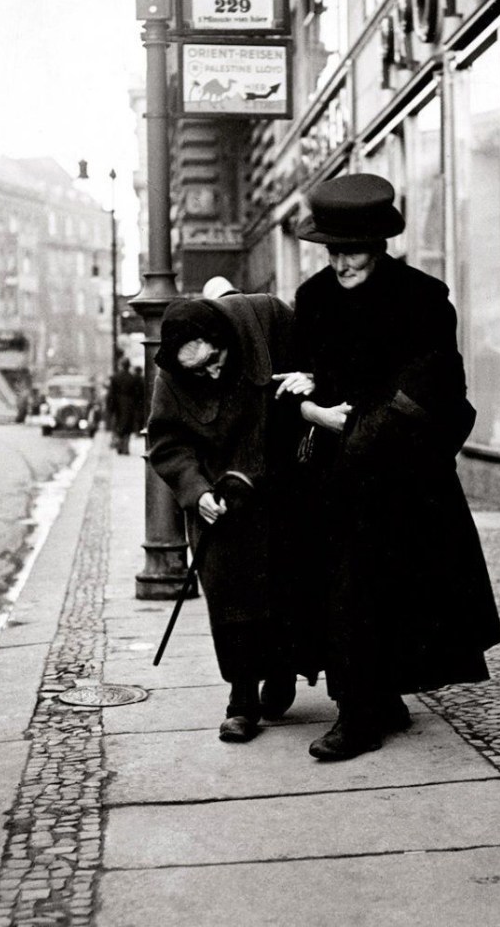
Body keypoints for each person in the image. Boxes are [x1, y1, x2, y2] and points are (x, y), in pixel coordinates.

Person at [288, 173, 500, 761]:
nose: (341, 263)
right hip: (336, 477)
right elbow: (299, 378)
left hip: (406, 475)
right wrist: (310, 397)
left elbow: (438, 381)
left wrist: (363, 429)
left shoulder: (423, 298)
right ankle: (362, 708)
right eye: (332, 251)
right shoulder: (312, 299)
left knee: (398, 590)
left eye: (351, 250)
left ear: (381, 244)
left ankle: (376, 703)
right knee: (347, 591)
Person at [147, 293, 316, 743]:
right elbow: (166, 443)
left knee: (286, 590)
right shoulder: (172, 375)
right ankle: (242, 700)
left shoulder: (268, 318)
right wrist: (195, 490)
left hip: (283, 490)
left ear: (223, 338)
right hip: (219, 503)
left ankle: (281, 673)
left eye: (215, 360)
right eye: (198, 371)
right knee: (232, 600)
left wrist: (312, 378)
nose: (212, 373)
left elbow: (322, 359)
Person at [106, 357, 137, 454]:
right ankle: (126, 448)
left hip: (118, 404)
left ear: (121, 365)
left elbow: (111, 393)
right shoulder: (132, 377)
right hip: (130, 403)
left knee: (118, 425)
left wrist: (110, 407)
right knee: (128, 426)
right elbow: (136, 393)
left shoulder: (115, 377)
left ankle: (119, 447)